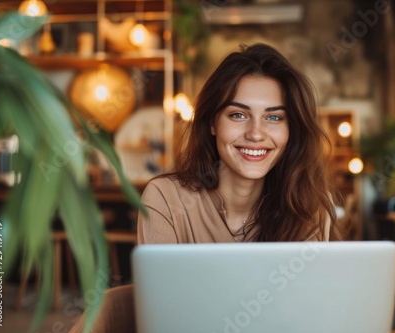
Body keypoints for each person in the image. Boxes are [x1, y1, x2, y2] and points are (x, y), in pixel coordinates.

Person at [137, 43, 345, 244]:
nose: (256, 134)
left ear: (292, 130)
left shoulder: (308, 205)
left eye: (273, 118)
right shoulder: (165, 199)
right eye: (238, 115)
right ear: (212, 122)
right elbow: (159, 281)